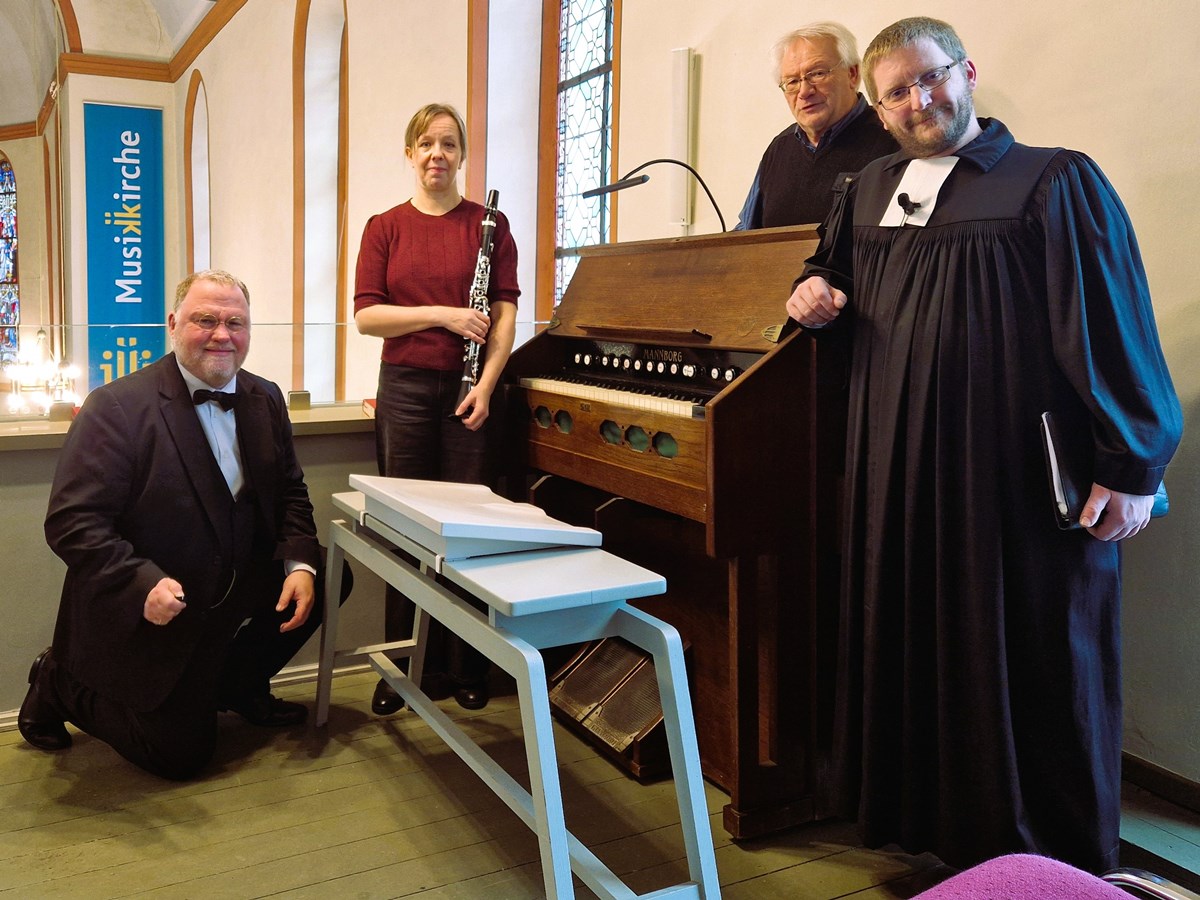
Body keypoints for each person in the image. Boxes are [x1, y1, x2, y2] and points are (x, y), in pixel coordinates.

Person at [786, 17, 1182, 874]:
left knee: (1031, 653)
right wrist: (811, 292)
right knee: (924, 648)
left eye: (930, 77)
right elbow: (832, 277)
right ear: (878, 107)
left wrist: (1131, 463)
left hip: (1012, 479)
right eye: (897, 92)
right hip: (899, 470)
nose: (917, 101)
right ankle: (943, 842)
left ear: (966, 71)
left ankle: (1053, 865)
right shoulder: (867, 187)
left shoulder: (1052, 179)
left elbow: (1111, 326)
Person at [19, 269, 350, 780]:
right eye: (205, 320)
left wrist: (300, 564)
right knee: (179, 757)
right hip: (164, 600)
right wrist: (140, 583)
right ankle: (58, 682)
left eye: (235, 323)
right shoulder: (116, 406)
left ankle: (238, 686)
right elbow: (73, 522)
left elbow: (290, 490)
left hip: (235, 583)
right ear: (173, 324)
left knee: (328, 574)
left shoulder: (265, 397)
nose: (222, 335)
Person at [354, 102, 518, 715]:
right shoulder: (385, 227)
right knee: (404, 527)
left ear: (462, 155)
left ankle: (465, 666)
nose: (437, 155)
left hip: (470, 388)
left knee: (468, 530)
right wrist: (444, 315)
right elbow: (368, 317)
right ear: (410, 153)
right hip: (404, 387)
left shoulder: (490, 225)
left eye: (449, 144)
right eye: (426, 144)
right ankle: (403, 664)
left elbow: (504, 314)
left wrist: (488, 386)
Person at [735, 21, 896, 230]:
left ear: (853, 74)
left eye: (818, 74)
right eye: (792, 82)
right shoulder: (779, 148)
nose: (804, 92)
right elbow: (745, 233)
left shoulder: (893, 136)